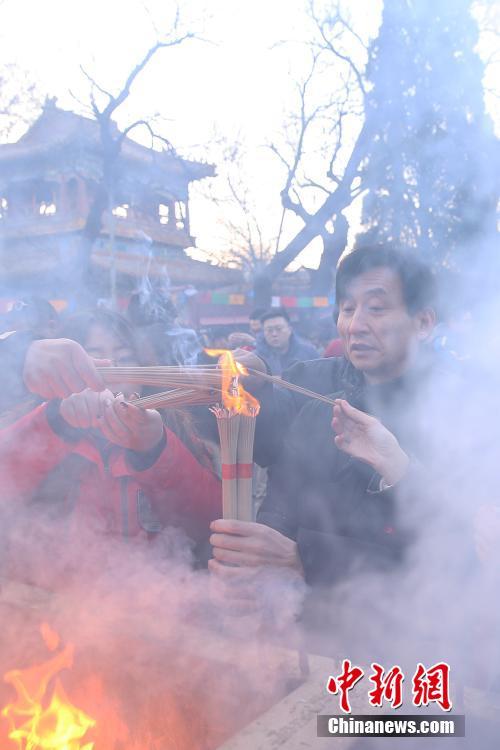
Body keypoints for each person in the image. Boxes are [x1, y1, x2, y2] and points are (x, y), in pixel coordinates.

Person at [210, 246, 462, 590]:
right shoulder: (310, 380)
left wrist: (306, 559)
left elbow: (456, 557)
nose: (355, 326)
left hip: (395, 630)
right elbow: (268, 444)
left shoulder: (462, 410)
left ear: (423, 322)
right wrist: (252, 386)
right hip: (293, 614)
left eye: (376, 309)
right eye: (347, 308)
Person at [0, 309, 221, 584]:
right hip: (54, 604)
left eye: (125, 358)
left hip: (156, 603)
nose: (113, 369)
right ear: (63, 372)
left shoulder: (172, 429)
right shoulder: (38, 422)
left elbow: (209, 522)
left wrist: (155, 450)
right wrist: (56, 423)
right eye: (94, 358)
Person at [255, 307, 319, 375]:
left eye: (279, 329)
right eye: (269, 330)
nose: (274, 334)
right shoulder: (256, 358)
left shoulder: (309, 353)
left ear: (290, 330)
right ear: (263, 333)